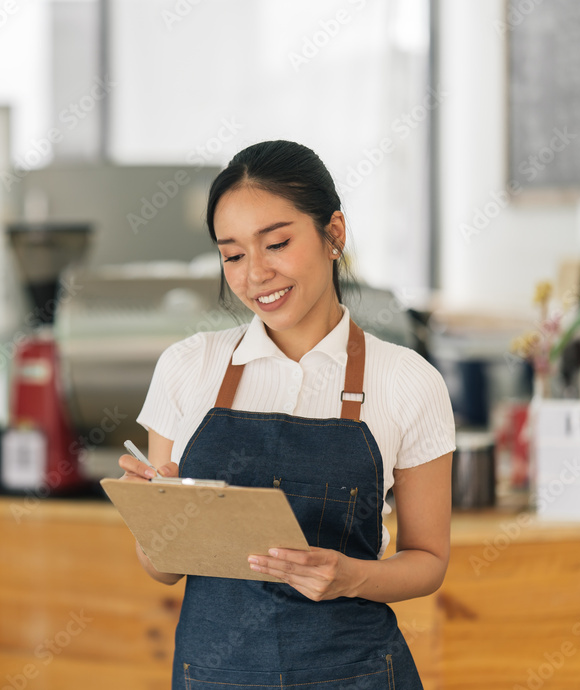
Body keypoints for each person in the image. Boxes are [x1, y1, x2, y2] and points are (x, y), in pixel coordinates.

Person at [118, 140, 455, 689]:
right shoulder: (187, 368)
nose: (255, 275)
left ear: (334, 234)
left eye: (276, 243)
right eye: (232, 255)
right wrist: (159, 512)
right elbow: (163, 568)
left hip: (357, 673)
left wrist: (352, 578)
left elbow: (429, 560)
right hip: (213, 675)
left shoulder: (407, 381)